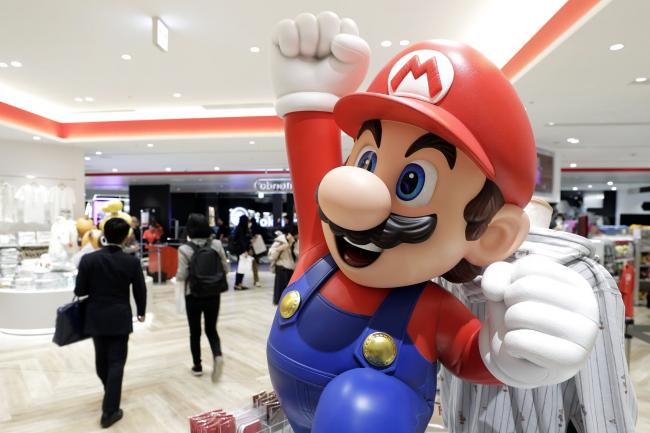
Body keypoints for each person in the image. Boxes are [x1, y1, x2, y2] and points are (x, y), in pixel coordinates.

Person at [74, 217, 146, 429]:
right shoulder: (131, 261)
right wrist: (141, 312)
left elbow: (80, 291)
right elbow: (140, 289)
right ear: (126, 237)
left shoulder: (89, 260)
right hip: (120, 317)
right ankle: (110, 410)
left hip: (95, 317)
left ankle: (110, 396)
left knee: (101, 361)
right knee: (116, 363)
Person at [176, 213, 229, 380]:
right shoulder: (216, 244)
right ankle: (217, 355)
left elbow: (182, 275)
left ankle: (197, 366)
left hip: (193, 294)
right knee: (211, 329)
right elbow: (226, 269)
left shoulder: (185, 249)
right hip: (213, 293)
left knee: (195, 331)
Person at [268, 228, 298, 305]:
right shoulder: (280, 241)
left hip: (291, 268)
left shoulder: (295, 242)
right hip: (281, 267)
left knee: (289, 289)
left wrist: (292, 243)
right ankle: (279, 303)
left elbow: (297, 254)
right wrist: (282, 247)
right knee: (280, 289)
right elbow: (271, 256)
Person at [231, 215, 251, 290]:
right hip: (241, 251)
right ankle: (237, 284)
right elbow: (242, 241)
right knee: (241, 267)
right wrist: (245, 250)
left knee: (242, 267)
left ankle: (239, 283)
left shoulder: (240, 228)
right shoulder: (240, 229)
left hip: (241, 250)